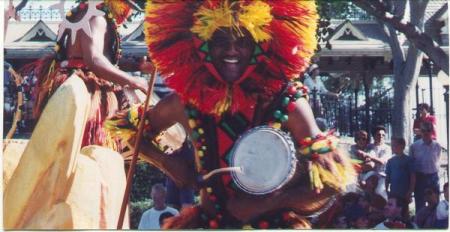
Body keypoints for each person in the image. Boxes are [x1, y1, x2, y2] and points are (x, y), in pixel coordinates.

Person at [107, 1, 355, 229]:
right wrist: (169, 164)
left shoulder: (287, 102)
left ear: (260, 45)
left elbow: (332, 183)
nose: (231, 51)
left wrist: (266, 204)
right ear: (202, 45)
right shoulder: (186, 103)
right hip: (209, 223)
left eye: (242, 41)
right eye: (220, 40)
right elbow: (131, 130)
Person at [27, 0, 149, 152]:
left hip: (72, 85)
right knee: (90, 148)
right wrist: (133, 81)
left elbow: (102, 59)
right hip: (85, 91)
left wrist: (138, 66)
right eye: (128, 6)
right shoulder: (97, 18)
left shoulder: (84, 13)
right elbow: (94, 59)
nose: (128, 11)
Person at [409, 121, 442, 212]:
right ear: (420, 131)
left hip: (433, 177)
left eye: (428, 130)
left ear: (432, 131)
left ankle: (434, 223)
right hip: (420, 178)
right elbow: (411, 164)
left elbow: (437, 160)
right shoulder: (414, 146)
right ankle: (420, 224)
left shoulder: (437, 146)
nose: (426, 133)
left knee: (435, 203)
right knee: (420, 204)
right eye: (423, 130)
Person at [363, 126, 392, 199]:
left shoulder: (387, 148)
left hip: (382, 175)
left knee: (380, 193)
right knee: (365, 193)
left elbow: (382, 161)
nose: (381, 137)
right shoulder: (369, 146)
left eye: (383, 135)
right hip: (370, 173)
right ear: (374, 136)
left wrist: (369, 156)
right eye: (378, 135)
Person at [385, 137, 414, 205]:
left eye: (394, 145)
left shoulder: (409, 160)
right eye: (391, 145)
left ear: (402, 146)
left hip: (404, 192)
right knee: (393, 211)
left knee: (404, 211)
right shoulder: (390, 161)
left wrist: (410, 191)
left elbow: (413, 177)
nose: (392, 147)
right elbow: (387, 177)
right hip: (393, 192)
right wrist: (386, 189)